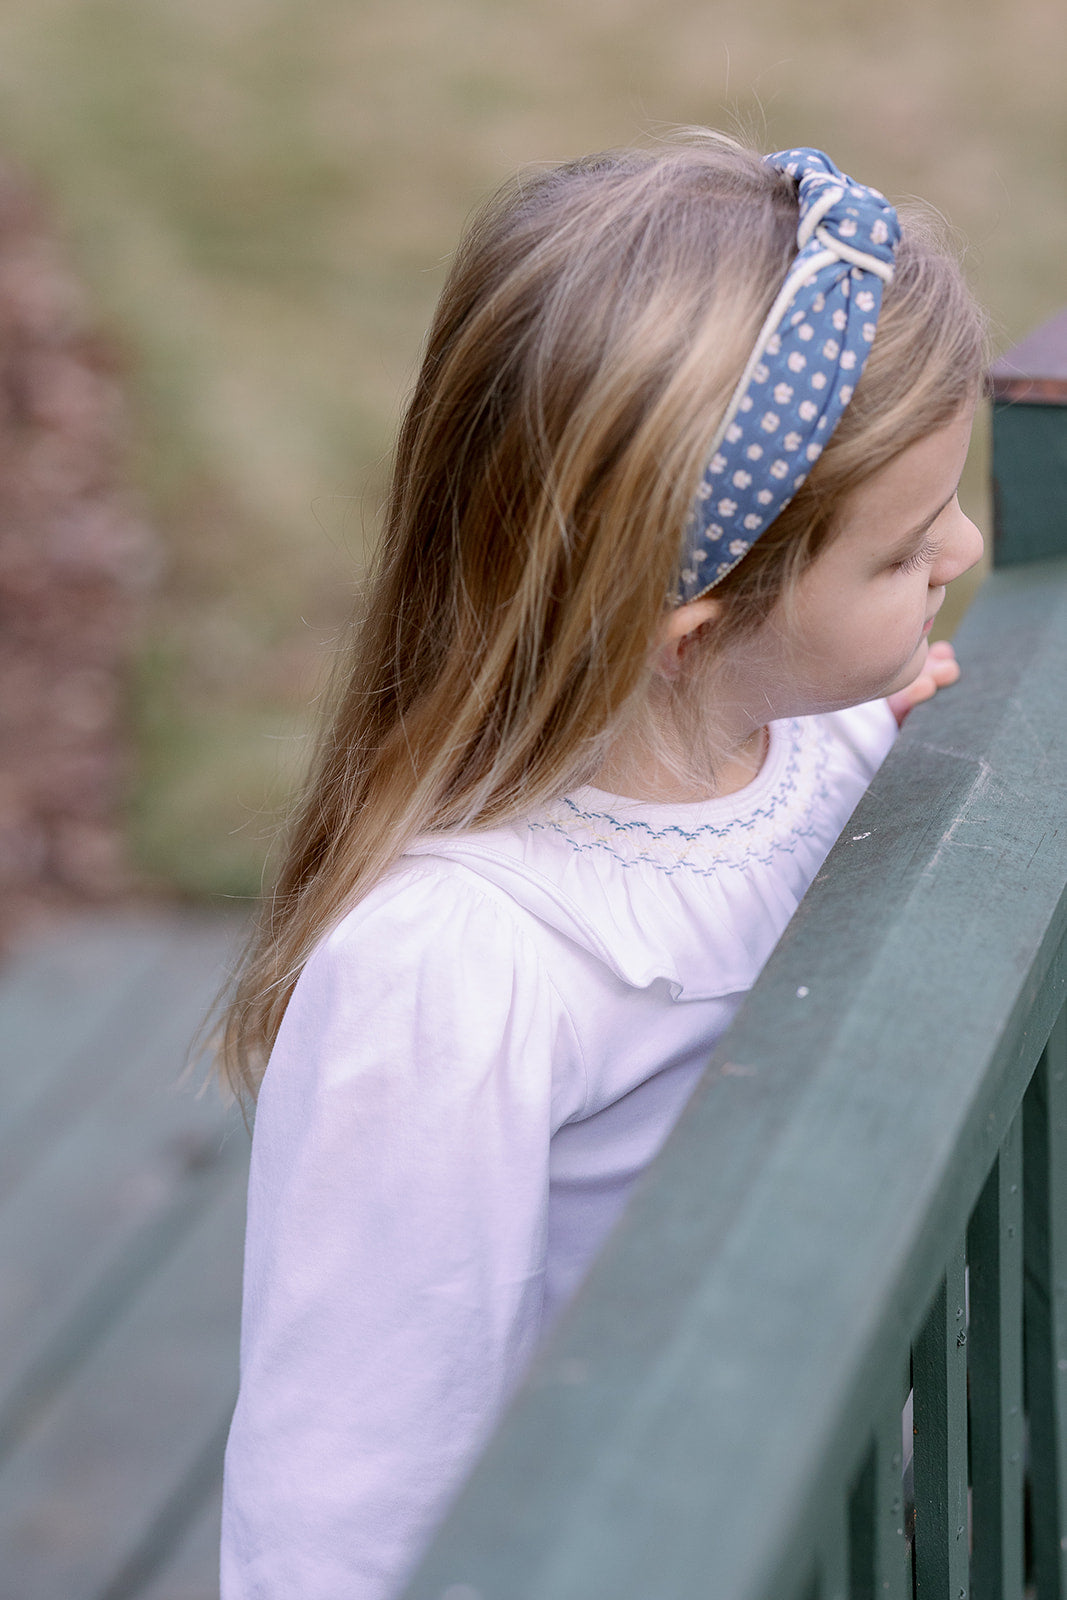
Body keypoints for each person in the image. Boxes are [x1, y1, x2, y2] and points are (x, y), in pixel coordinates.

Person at [218, 134, 986, 1598]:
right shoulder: (455, 970)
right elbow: (352, 1492)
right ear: (691, 626)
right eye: (900, 556)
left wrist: (861, 740)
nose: (962, 543)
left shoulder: (804, 742)